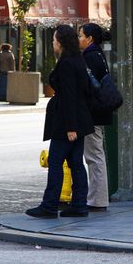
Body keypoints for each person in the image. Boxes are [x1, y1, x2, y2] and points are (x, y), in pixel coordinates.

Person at [26, 25, 94, 219]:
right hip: (78, 121)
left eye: (55, 40)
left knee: (56, 163)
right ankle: (79, 205)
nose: (53, 43)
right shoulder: (78, 60)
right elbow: (85, 92)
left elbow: (69, 96)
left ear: (62, 42)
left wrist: (71, 126)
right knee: (76, 164)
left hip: (66, 124)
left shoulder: (66, 64)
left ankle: (49, 206)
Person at [78, 23, 112, 211]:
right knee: (95, 154)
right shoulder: (97, 54)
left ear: (89, 38)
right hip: (98, 111)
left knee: (94, 156)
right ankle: (97, 198)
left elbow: (87, 87)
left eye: (81, 35)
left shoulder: (90, 56)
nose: (78, 39)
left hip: (93, 112)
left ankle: (97, 200)